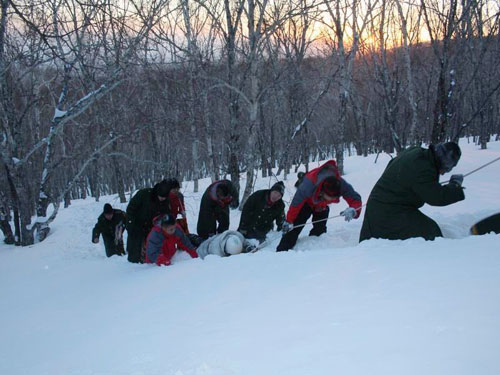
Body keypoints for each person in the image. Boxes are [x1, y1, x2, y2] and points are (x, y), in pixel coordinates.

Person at [359, 141, 465, 242]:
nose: (444, 173)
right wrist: (455, 186)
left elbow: (393, 164)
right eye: (447, 168)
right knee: (431, 233)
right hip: (387, 212)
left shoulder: (417, 152)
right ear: (443, 161)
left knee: (428, 229)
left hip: (382, 206)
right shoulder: (423, 167)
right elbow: (436, 197)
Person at [277, 160, 362, 251]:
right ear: (322, 191)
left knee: (319, 232)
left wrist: (354, 210)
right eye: (329, 197)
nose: (331, 200)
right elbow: (295, 205)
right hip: (306, 203)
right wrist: (289, 221)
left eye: (333, 198)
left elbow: (355, 199)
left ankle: (314, 253)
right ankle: (281, 252)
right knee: (293, 228)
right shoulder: (308, 184)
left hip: (321, 207)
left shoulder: (341, 185)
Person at [125, 179, 177, 263]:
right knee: (135, 254)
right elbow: (131, 209)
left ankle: (149, 267)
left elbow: (166, 214)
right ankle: (134, 269)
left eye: (164, 197)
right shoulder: (143, 194)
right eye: (161, 197)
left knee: (151, 250)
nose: (162, 199)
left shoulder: (166, 200)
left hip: (152, 228)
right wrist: (130, 225)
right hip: (137, 226)